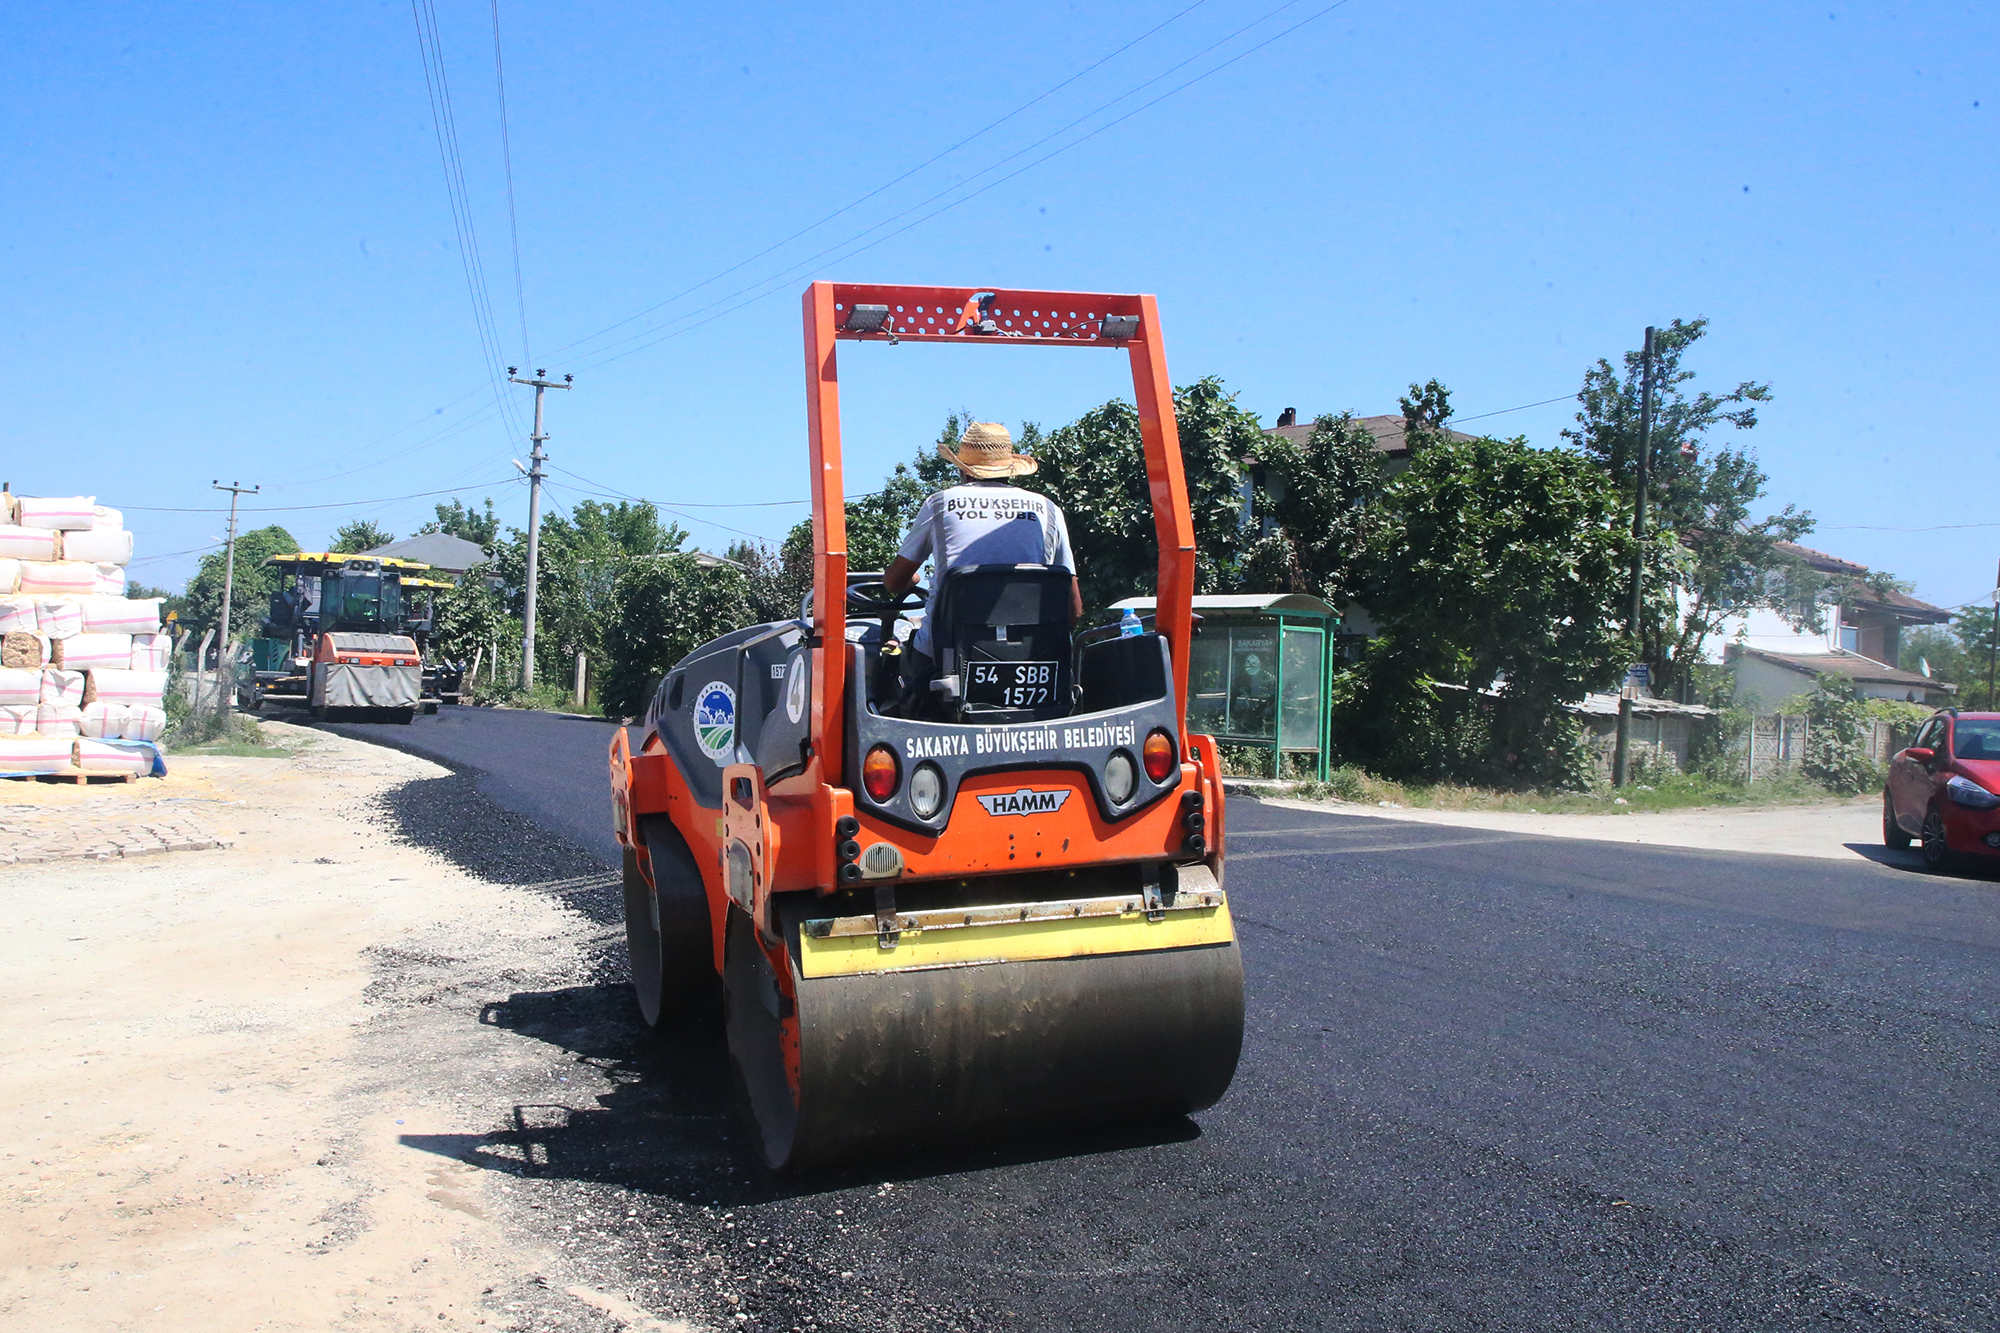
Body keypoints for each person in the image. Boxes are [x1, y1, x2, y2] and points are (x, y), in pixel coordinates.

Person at [882, 421, 1083, 678]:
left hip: (945, 660)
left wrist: (910, 579)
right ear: (1010, 470)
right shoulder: (1048, 509)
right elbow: (1074, 608)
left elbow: (894, 583)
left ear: (964, 472)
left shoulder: (940, 503)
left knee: (889, 669)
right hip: (1033, 661)